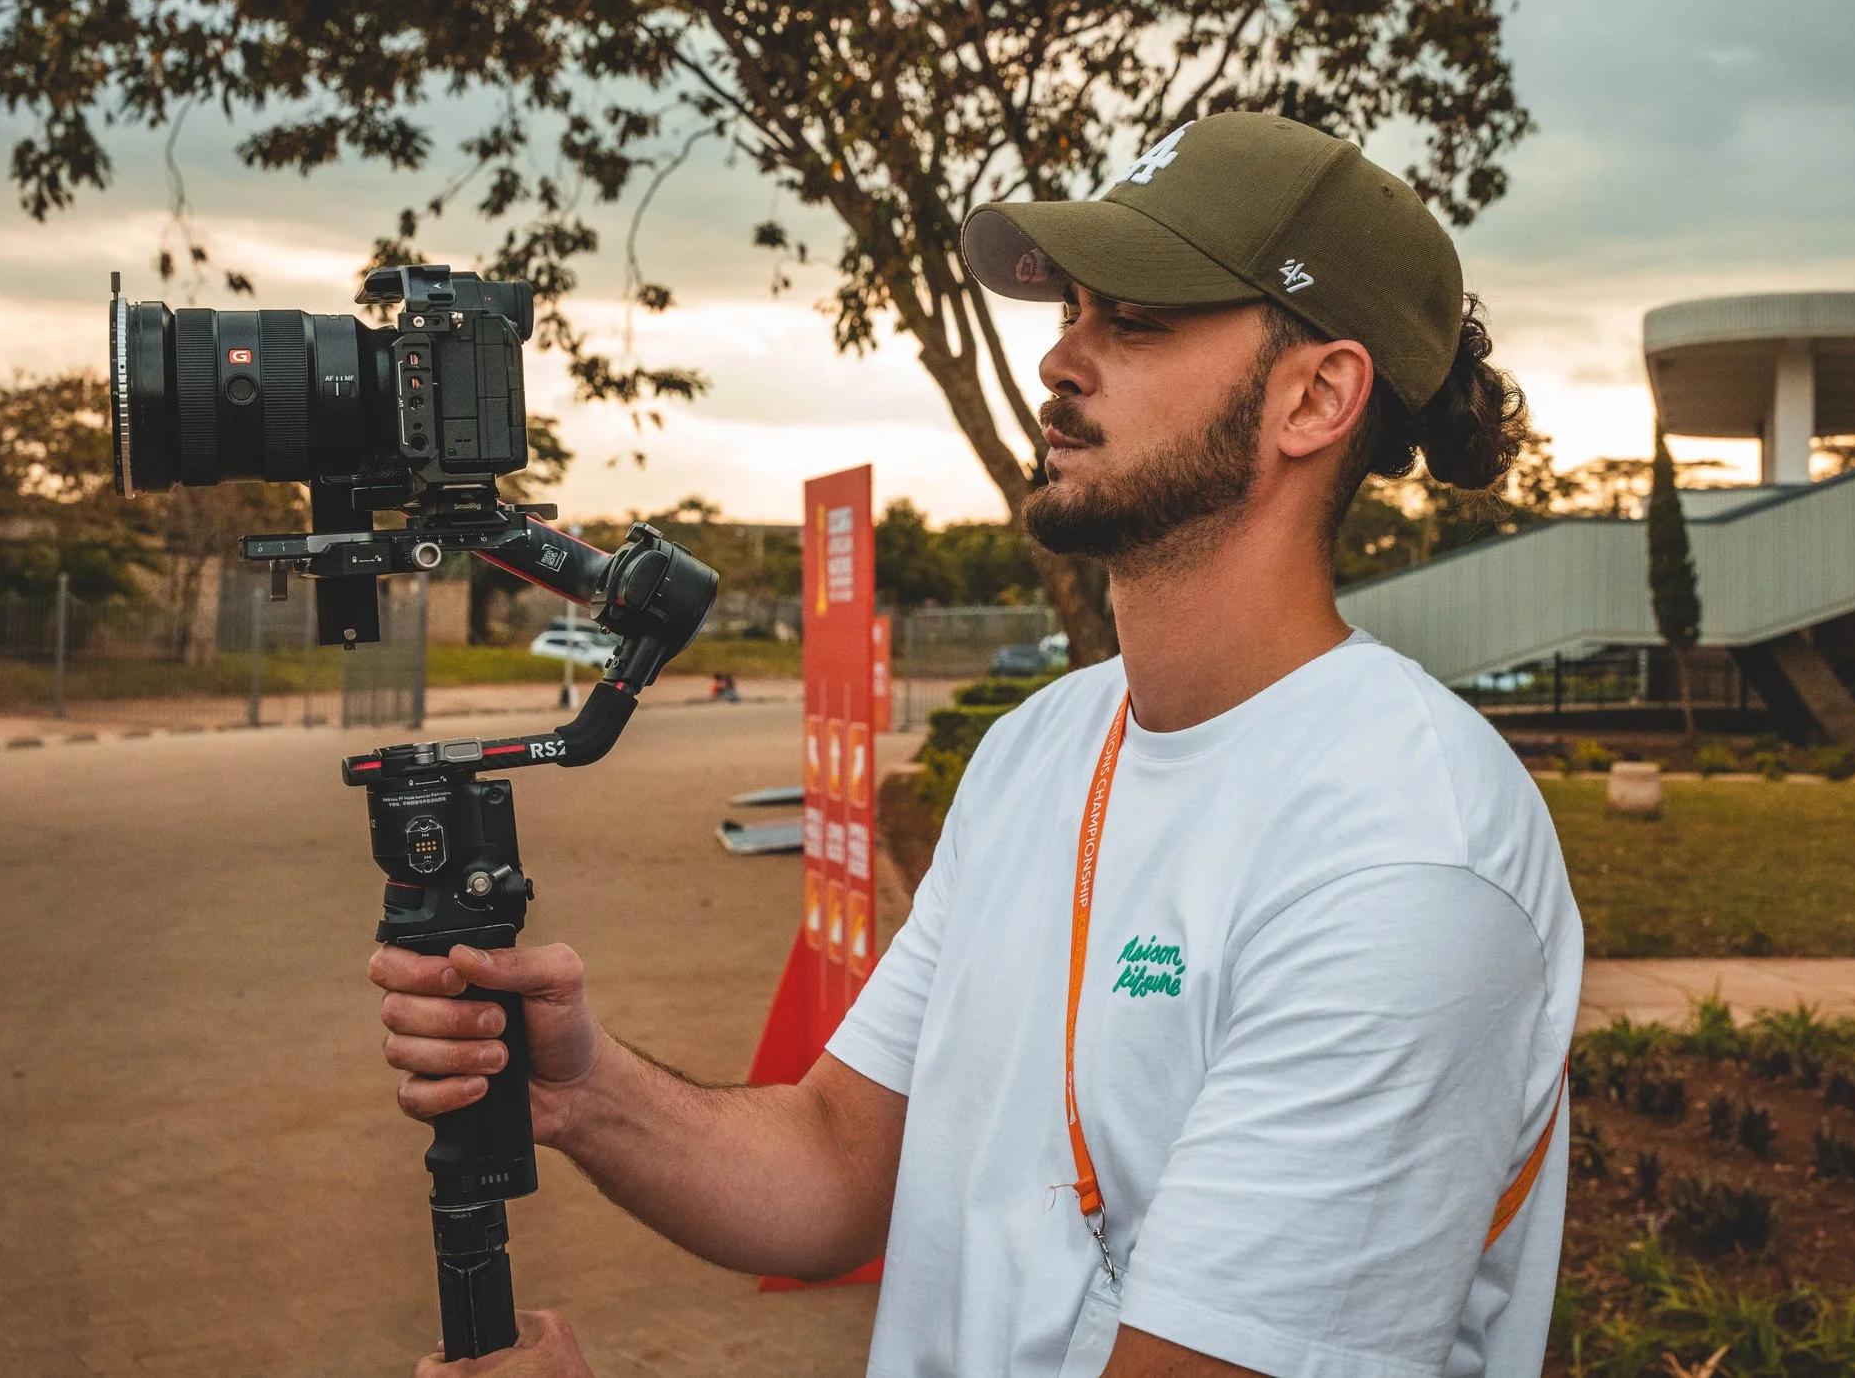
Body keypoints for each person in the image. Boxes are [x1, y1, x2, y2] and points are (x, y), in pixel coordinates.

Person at [375, 112, 1583, 1378]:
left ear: (1316, 396)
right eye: (1073, 310)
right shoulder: (1041, 747)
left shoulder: (1407, 865)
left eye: (1139, 320)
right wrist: (584, 1089)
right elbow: (838, 1160)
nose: (1061, 357)